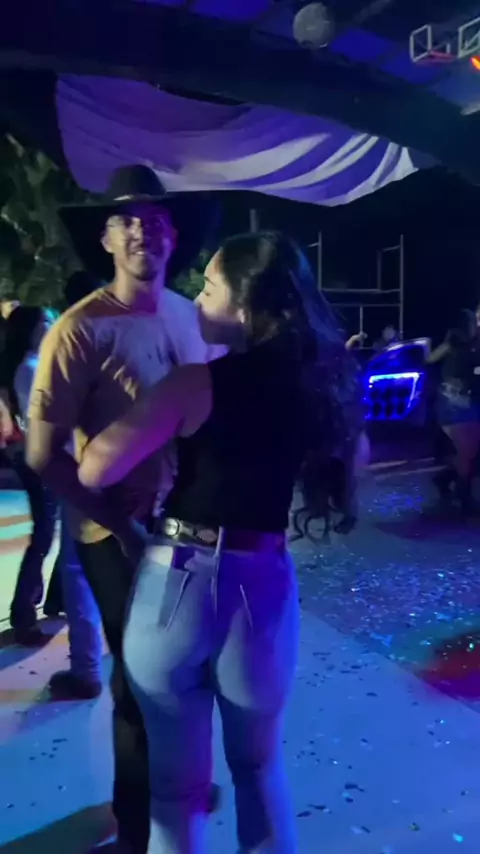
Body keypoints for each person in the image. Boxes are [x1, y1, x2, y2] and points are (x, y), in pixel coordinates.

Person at [79, 231, 364, 854]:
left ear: (244, 303)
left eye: (209, 287)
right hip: (260, 581)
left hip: (176, 581)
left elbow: (95, 467)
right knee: (259, 772)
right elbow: (353, 463)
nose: (198, 298)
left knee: (174, 794)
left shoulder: (195, 383)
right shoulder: (321, 387)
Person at [26, 165, 223, 854]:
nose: (143, 231)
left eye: (156, 220)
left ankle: (180, 790)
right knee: (140, 685)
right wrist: (125, 528)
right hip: (114, 534)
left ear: (174, 236)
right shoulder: (79, 331)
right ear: (107, 239)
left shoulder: (190, 316)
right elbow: (42, 456)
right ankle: (136, 825)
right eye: (128, 221)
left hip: (189, 528)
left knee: (190, 671)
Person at [48, 270, 104, 700]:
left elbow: (48, 434)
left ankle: (86, 670)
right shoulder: (130, 337)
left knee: (78, 571)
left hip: (84, 473)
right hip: (140, 474)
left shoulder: (69, 344)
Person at [2, 305, 60, 644]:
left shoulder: (33, 365)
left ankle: (50, 599)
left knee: (50, 532)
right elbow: (39, 416)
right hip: (39, 459)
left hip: (35, 457)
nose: (53, 327)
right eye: (47, 323)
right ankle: (24, 614)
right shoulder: (30, 368)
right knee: (44, 535)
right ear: (31, 330)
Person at [427, 309, 480, 513]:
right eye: (473, 322)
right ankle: (463, 494)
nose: (476, 325)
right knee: (467, 450)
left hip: (468, 402)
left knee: (470, 452)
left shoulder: (474, 344)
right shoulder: (451, 345)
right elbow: (429, 360)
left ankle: (445, 479)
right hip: (452, 402)